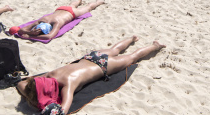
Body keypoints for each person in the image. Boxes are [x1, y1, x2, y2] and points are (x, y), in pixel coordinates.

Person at [16, 36, 166, 114]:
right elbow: (22, 83)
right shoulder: (49, 75)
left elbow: (63, 109)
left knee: (132, 57)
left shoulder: (68, 84)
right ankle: (132, 38)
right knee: (114, 49)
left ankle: (155, 46)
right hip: (89, 58)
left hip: (103, 66)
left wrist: (39, 105)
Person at [12, 0, 104, 40]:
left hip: (69, 12)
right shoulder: (48, 21)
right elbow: (21, 30)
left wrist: (31, 35)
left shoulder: (52, 21)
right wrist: (30, 33)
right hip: (63, 10)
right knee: (76, 6)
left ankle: (96, 2)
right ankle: (80, 1)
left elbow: (49, 36)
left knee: (87, 8)